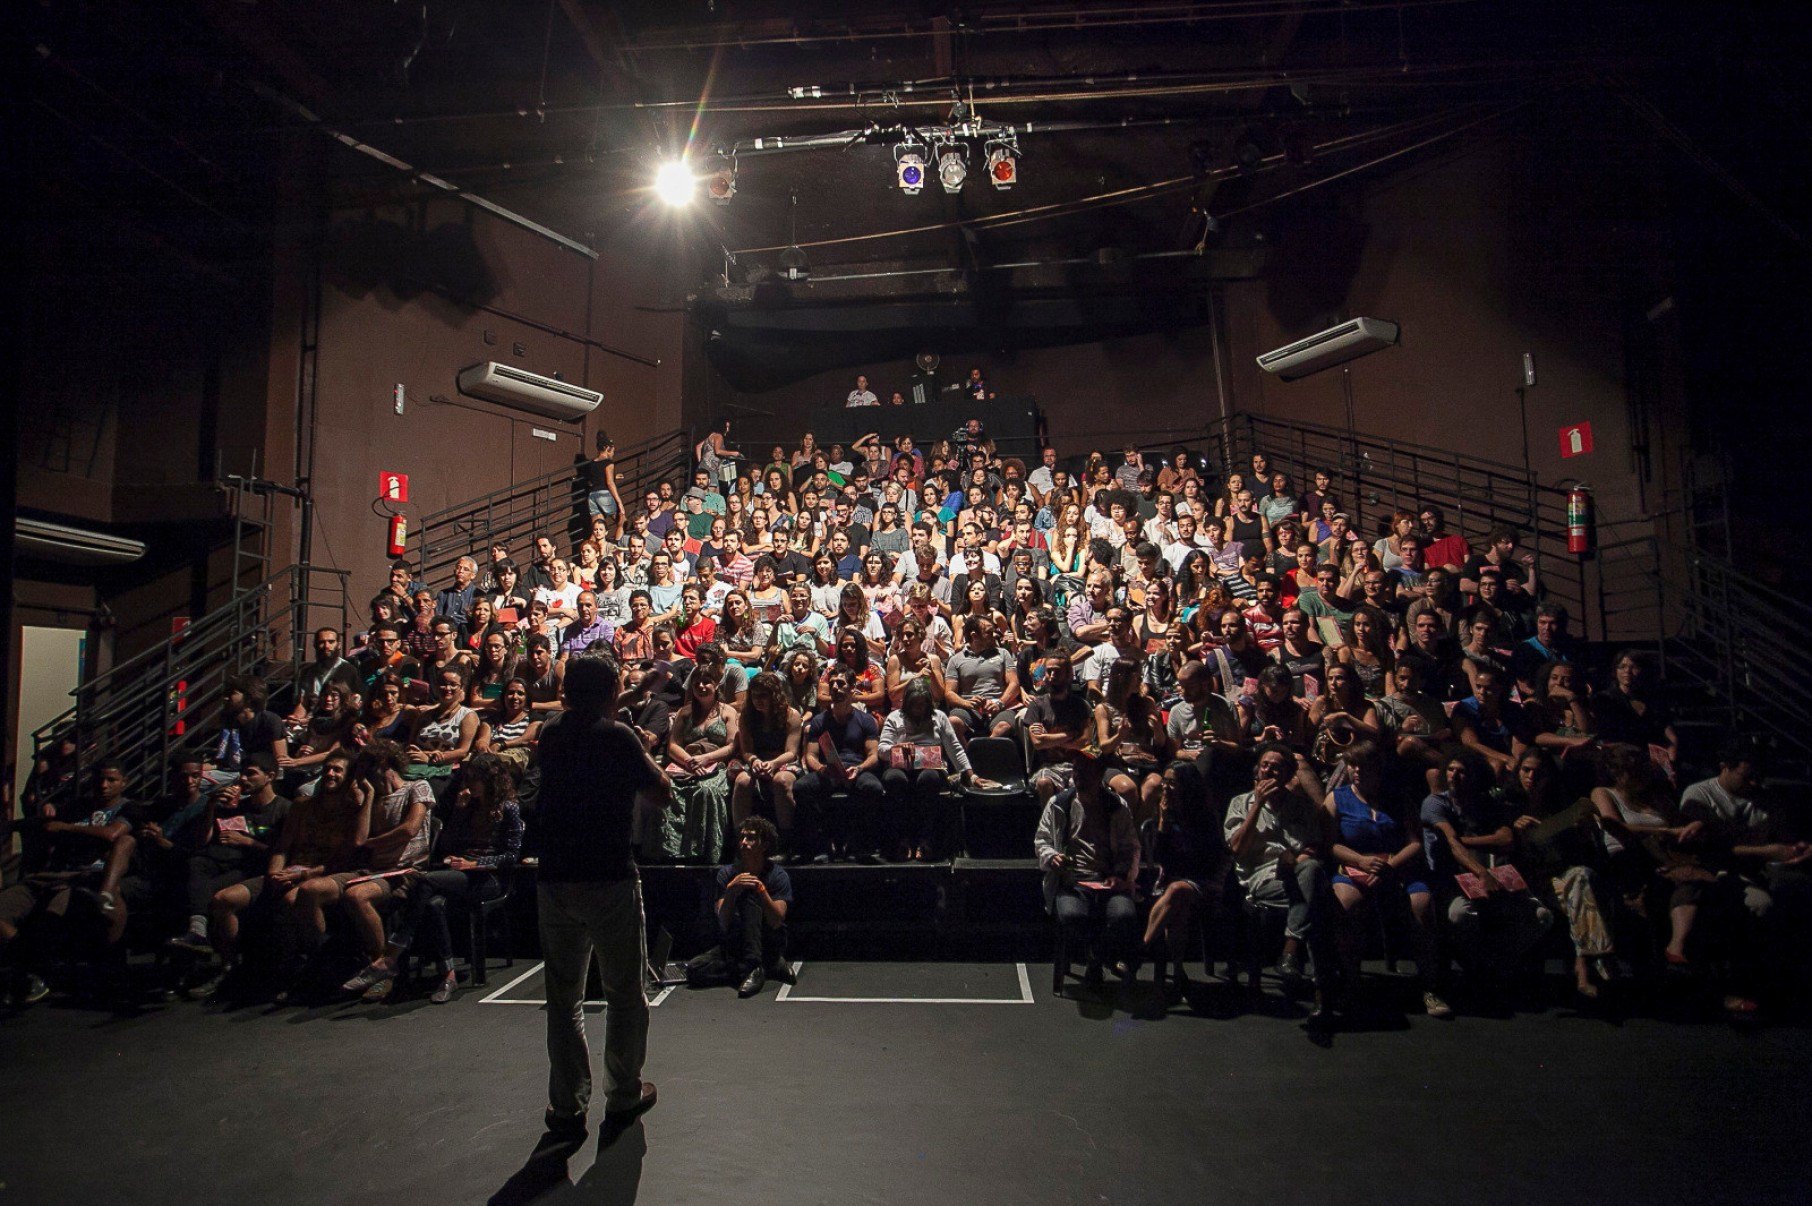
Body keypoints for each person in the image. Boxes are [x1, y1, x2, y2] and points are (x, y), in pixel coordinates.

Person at [534, 656, 667, 1140]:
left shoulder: (551, 731)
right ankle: (624, 1093)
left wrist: (634, 694)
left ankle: (567, 1104)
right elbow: (662, 793)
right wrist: (645, 749)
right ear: (611, 689)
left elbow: (593, 712)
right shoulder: (620, 738)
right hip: (608, 878)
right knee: (625, 994)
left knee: (563, 999)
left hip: (555, 879)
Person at [342, 754, 523, 1004]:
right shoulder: (469, 805)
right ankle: (448, 975)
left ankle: (390, 957)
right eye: (468, 778)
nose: (469, 784)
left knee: (424, 881)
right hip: (460, 873)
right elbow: (448, 843)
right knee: (432, 904)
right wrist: (458, 812)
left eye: (475, 779)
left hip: (489, 878)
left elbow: (511, 856)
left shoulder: (508, 808)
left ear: (490, 780)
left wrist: (474, 864)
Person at [1322, 744, 1451, 1018]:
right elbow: (1330, 844)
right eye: (1353, 765)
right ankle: (1351, 982)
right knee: (1345, 902)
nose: (1357, 771)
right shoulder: (1337, 798)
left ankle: (1429, 985)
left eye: (1363, 766)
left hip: (1396, 867)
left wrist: (1390, 866)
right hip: (1356, 865)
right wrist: (1361, 861)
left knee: (1422, 903)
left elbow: (1415, 842)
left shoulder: (1398, 798)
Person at [1225, 742, 1338, 1021]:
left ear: (1288, 775)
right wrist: (1257, 804)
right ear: (1257, 770)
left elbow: (1313, 846)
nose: (1269, 771)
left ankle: (1291, 949)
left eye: (1276, 768)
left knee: (1311, 876)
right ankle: (1320, 990)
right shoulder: (1240, 803)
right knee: (1318, 900)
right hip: (1262, 877)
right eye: (1265, 765)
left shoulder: (1301, 806)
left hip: (1298, 872)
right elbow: (1236, 849)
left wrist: (1295, 861)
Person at [1423, 749, 1554, 987]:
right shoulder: (1437, 802)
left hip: (1495, 875)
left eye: (1462, 772)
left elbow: (1505, 839)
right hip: (1454, 879)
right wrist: (1480, 869)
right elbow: (1450, 842)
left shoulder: (1488, 804)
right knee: (1460, 915)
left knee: (1541, 917)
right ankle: (1479, 968)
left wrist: (1464, 842)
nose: (1454, 776)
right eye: (1451, 770)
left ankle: (1498, 961)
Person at [1037, 752, 1141, 987]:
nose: (1079, 777)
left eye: (1086, 772)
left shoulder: (1117, 806)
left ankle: (1096, 957)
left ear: (1100, 775)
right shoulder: (1059, 804)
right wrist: (1053, 857)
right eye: (1076, 771)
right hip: (1073, 881)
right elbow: (1042, 841)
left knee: (1123, 915)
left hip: (1108, 880)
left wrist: (1120, 875)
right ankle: (1098, 957)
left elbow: (1130, 847)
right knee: (1072, 915)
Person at [1138, 760, 1227, 990]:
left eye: (1172, 783)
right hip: (1173, 879)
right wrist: (1162, 820)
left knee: (1177, 891)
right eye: (1164, 782)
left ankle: (1140, 950)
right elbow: (1162, 858)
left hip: (1203, 879)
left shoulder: (1204, 817)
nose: (1165, 788)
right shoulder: (1167, 814)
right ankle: (1177, 971)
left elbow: (1206, 859)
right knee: (1177, 905)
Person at [877, 677, 979, 861]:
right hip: (902, 766)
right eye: (914, 704)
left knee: (929, 779)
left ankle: (926, 839)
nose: (918, 708)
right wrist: (897, 749)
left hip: (931, 767)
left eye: (922, 704)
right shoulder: (894, 718)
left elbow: (954, 748)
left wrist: (970, 775)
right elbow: (882, 750)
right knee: (894, 779)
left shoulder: (939, 717)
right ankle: (902, 839)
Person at [794, 665, 885, 862]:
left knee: (873, 787)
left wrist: (859, 768)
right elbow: (811, 756)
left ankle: (858, 844)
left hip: (856, 769)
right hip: (828, 770)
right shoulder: (819, 721)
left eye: (841, 683)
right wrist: (822, 769)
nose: (835, 687)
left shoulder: (866, 720)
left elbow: (873, 755)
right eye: (832, 683)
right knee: (801, 787)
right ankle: (820, 845)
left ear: (852, 688)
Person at [655, 658, 741, 864]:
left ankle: (705, 851)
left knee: (706, 790)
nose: (701, 686)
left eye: (706, 682)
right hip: (687, 763)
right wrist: (690, 761)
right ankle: (672, 851)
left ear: (716, 685)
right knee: (668, 788)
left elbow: (732, 746)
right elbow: (673, 745)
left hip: (716, 763)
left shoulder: (728, 712)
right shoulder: (685, 712)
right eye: (697, 683)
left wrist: (705, 759)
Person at [704, 817, 795, 998]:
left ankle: (754, 966)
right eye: (742, 837)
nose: (744, 842)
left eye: (751, 838)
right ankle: (767, 966)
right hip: (737, 942)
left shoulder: (778, 875)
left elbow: (776, 920)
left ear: (765, 845)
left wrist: (761, 890)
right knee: (695, 970)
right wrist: (731, 891)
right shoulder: (727, 874)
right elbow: (723, 921)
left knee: (750, 896)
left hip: (767, 939)